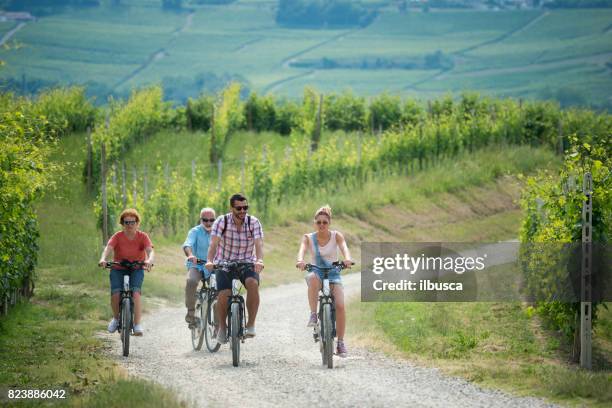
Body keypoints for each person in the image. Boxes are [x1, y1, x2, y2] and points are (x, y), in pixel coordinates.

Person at [205, 194, 264, 343]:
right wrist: (210, 261)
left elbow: (258, 244)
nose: (243, 210)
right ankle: (223, 328)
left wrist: (259, 260)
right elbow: (213, 244)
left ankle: (250, 324)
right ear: (232, 208)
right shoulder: (222, 221)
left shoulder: (253, 222)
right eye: (239, 208)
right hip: (224, 262)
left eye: (245, 207)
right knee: (224, 292)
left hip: (247, 262)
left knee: (253, 283)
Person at [296, 205, 353, 357]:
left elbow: (344, 248)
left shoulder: (336, 236)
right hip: (317, 273)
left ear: (329, 223)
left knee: (340, 305)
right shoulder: (309, 237)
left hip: (334, 273)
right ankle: (313, 314)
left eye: (324, 222)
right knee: (312, 277)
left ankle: (340, 343)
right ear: (314, 222)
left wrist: (347, 259)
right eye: (318, 222)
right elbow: (301, 249)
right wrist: (300, 260)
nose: (321, 225)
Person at [98, 208, 154, 336]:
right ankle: (116, 319)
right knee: (116, 293)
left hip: (136, 268)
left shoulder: (142, 236)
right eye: (126, 222)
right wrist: (103, 259)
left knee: (135, 293)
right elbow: (108, 248)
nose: (129, 225)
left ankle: (137, 324)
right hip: (118, 268)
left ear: (137, 223)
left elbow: (150, 251)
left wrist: (149, 260)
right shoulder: (117, 236)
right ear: (122, 224)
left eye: (132, 222)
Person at [183, 207, 216, 327]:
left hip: (213, 267)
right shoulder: (194, 231)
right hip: (197, 265)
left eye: (212, 220)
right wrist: (190, 255)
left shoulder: (219, 232)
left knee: (219, 290)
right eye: (205, 220)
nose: (208, 223)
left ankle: (218, 325)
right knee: (191, 281)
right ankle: (191, 313)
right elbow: (187, 244)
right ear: (200, 220)